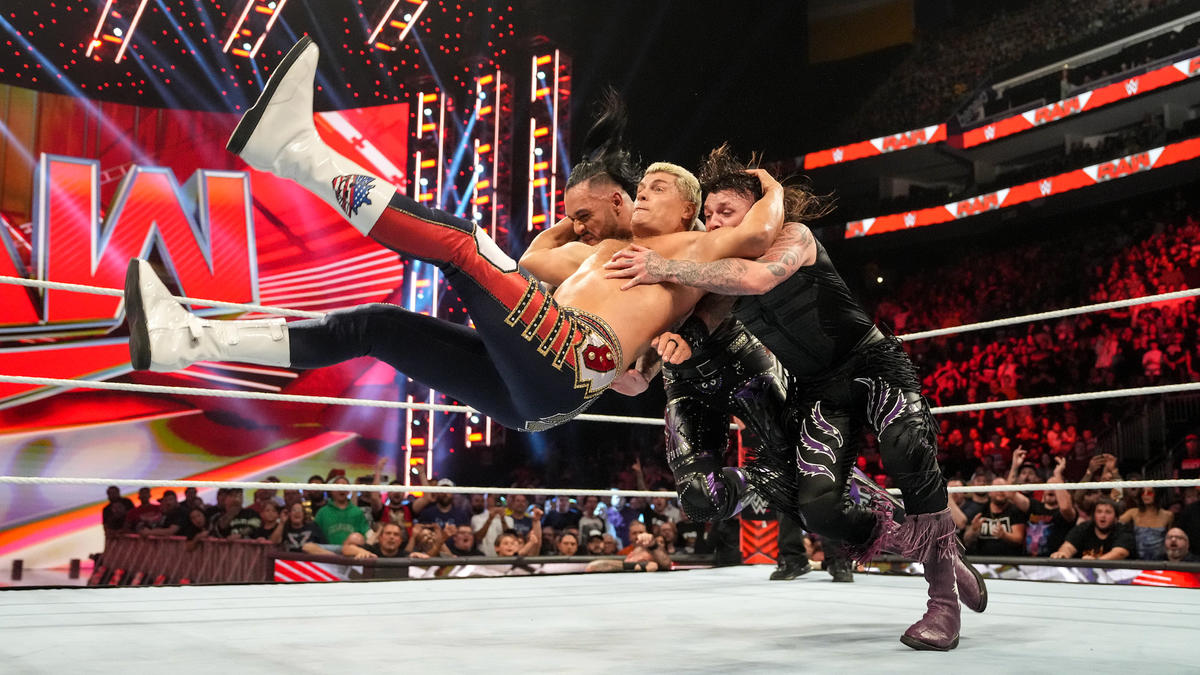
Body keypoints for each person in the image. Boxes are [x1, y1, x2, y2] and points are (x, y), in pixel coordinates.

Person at [124, 38, 784, 434]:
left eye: (655, 190)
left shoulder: (694, 249)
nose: (641, 196)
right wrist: (581, 221)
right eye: (640, 189)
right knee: (379, 326)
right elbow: (532, 262)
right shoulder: (608, 256)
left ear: (689, 209)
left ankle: (293, 150)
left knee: (463, 243)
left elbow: (758, 232)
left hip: (570, 361)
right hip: (535, 391)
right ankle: (187, 339)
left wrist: (770, 185)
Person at [605, 145, 981, 651]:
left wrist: (664, 264)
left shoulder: (793, 238)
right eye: (708, 215)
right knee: (819, 507)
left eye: (726, 211)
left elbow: (759, 278)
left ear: (758, 212)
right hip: (819, 393)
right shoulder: (717, 274)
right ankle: (941, 556)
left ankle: (943, 603)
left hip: (871, 364)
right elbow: (693, 327)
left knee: (906, 448)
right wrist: (643, 371)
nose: (714, 224)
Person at [1051, 498, 1134, 560]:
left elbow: (1120, 553)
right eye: (1099, 512)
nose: (1103, 516)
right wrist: (1062, 554)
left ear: (1116, 518)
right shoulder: (1084, 528)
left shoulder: (1123, 530)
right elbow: (1068, 547)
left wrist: (1095, 563)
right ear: (1094, 515)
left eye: (1108, 512)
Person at [1119, 487, 1173, 561]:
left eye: (1149, 493)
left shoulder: (1168, 515)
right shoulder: (1132, 513)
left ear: (1156, 494)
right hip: (1137, 560)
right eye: (1142, 493)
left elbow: (1170, 538)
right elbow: (1115, 524)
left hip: (1161, 561)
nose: (1145, 495)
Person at [313, 477, 369, 546]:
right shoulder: (322, 513)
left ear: (348, 491)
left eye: (344, 487)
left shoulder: (357, 512)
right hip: (328, 551)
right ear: (332, 490)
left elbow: (366, 534)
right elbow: (314, 537)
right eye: (338, 487)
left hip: (352, 551)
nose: (341, 489)